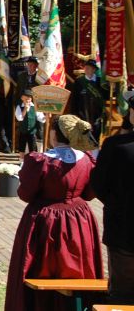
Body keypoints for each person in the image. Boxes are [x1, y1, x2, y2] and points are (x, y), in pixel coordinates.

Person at [4, 114, 103, 311]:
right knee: (76, 268)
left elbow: (25, 194)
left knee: (40, 268)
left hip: (45, 221)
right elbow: (90, 193)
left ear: (55, 134)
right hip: (79, 220)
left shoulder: (41, 161)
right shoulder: (87, 160)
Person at [90, 90, 134, 304]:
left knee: (121, 296)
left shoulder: (114, 146)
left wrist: (119, 203)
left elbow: (99, 185)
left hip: (122, 230)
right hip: (120, 229)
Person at [69, 59, 109, 140]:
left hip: (97, 116)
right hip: (82, 115)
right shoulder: (79, 81)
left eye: (89, 68)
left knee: (95, 139)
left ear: (94, 70)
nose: (86, 69)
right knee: (83, 138)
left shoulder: (100, 82)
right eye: (85, 67)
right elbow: (74, 99)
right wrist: (73, 113)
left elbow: (106, 96)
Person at [15, 89, 45, 157]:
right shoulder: (19, 107)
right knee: (22, 148)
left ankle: (31, 163)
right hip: (23, 131)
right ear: (22, 98)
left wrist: (46, 117)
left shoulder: (35, 107)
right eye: (26, 97)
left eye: (29, 98)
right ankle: (21, 162)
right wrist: (25, 108)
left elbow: (41, 118)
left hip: (32, 132)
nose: (28, 99)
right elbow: (19, 118)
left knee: (32, 149)